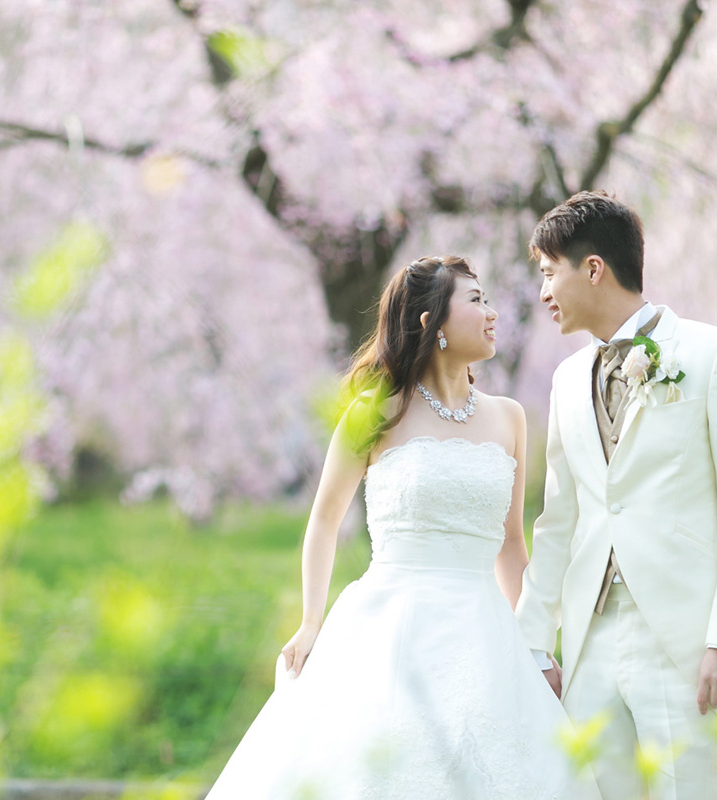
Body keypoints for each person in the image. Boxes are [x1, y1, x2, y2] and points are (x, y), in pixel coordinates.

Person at [204, 256, 599, 799]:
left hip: (484, 634)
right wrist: (311, 620)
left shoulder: (509, 417)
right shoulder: (376, 411)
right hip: (389, 627)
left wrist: (534, 645)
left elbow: (511, 543)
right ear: (431, 321)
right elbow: (322, 521)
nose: (493, 313)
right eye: (477, 300)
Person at [515, 191, 717, 799]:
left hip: (686, 644)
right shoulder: (565, 380)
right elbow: (560, 521)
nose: (544, 293)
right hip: (590, 642)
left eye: (550, 274)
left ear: (594, 269)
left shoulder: (715, 355)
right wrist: (532, 641)